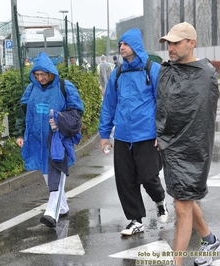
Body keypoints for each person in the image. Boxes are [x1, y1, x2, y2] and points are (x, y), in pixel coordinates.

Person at [156, 22, 220, 266]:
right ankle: (210, 239)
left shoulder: (205, 74)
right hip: (169, 146)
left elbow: (203, 116)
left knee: (182, 206)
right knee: (184, 199)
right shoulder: (165, 71)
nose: (170, 48)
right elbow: (162, 106)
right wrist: (159, 133)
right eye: (168, 43)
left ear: (191, 43)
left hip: (193, 150)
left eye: (176, 43)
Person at [99, 28, 168, 236]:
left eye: (125, 44)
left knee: (149, 177)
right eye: (120, 44)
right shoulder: (118, 73)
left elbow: (164, 103)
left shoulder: (152, 69)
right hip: (122, 136)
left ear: (135, 46)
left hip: (146, 135)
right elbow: (109, 104)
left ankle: (160, 201)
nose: (121, 48)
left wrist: (161, 132)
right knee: (125, 180)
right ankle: (135, 220)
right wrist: (104, 135)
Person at [15, 52, 84, 228]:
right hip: (38, 140)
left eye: (43, 74)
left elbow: (77, 111)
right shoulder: (31, 89)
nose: (40, 78)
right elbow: (22, 113)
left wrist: (61, 120)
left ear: (51, 72)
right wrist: (20, 134)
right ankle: (62, 207)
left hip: (57, 139)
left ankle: (51, 212)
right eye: (37, 75)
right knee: (47, 175)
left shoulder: (64, 87)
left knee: (56, 173)